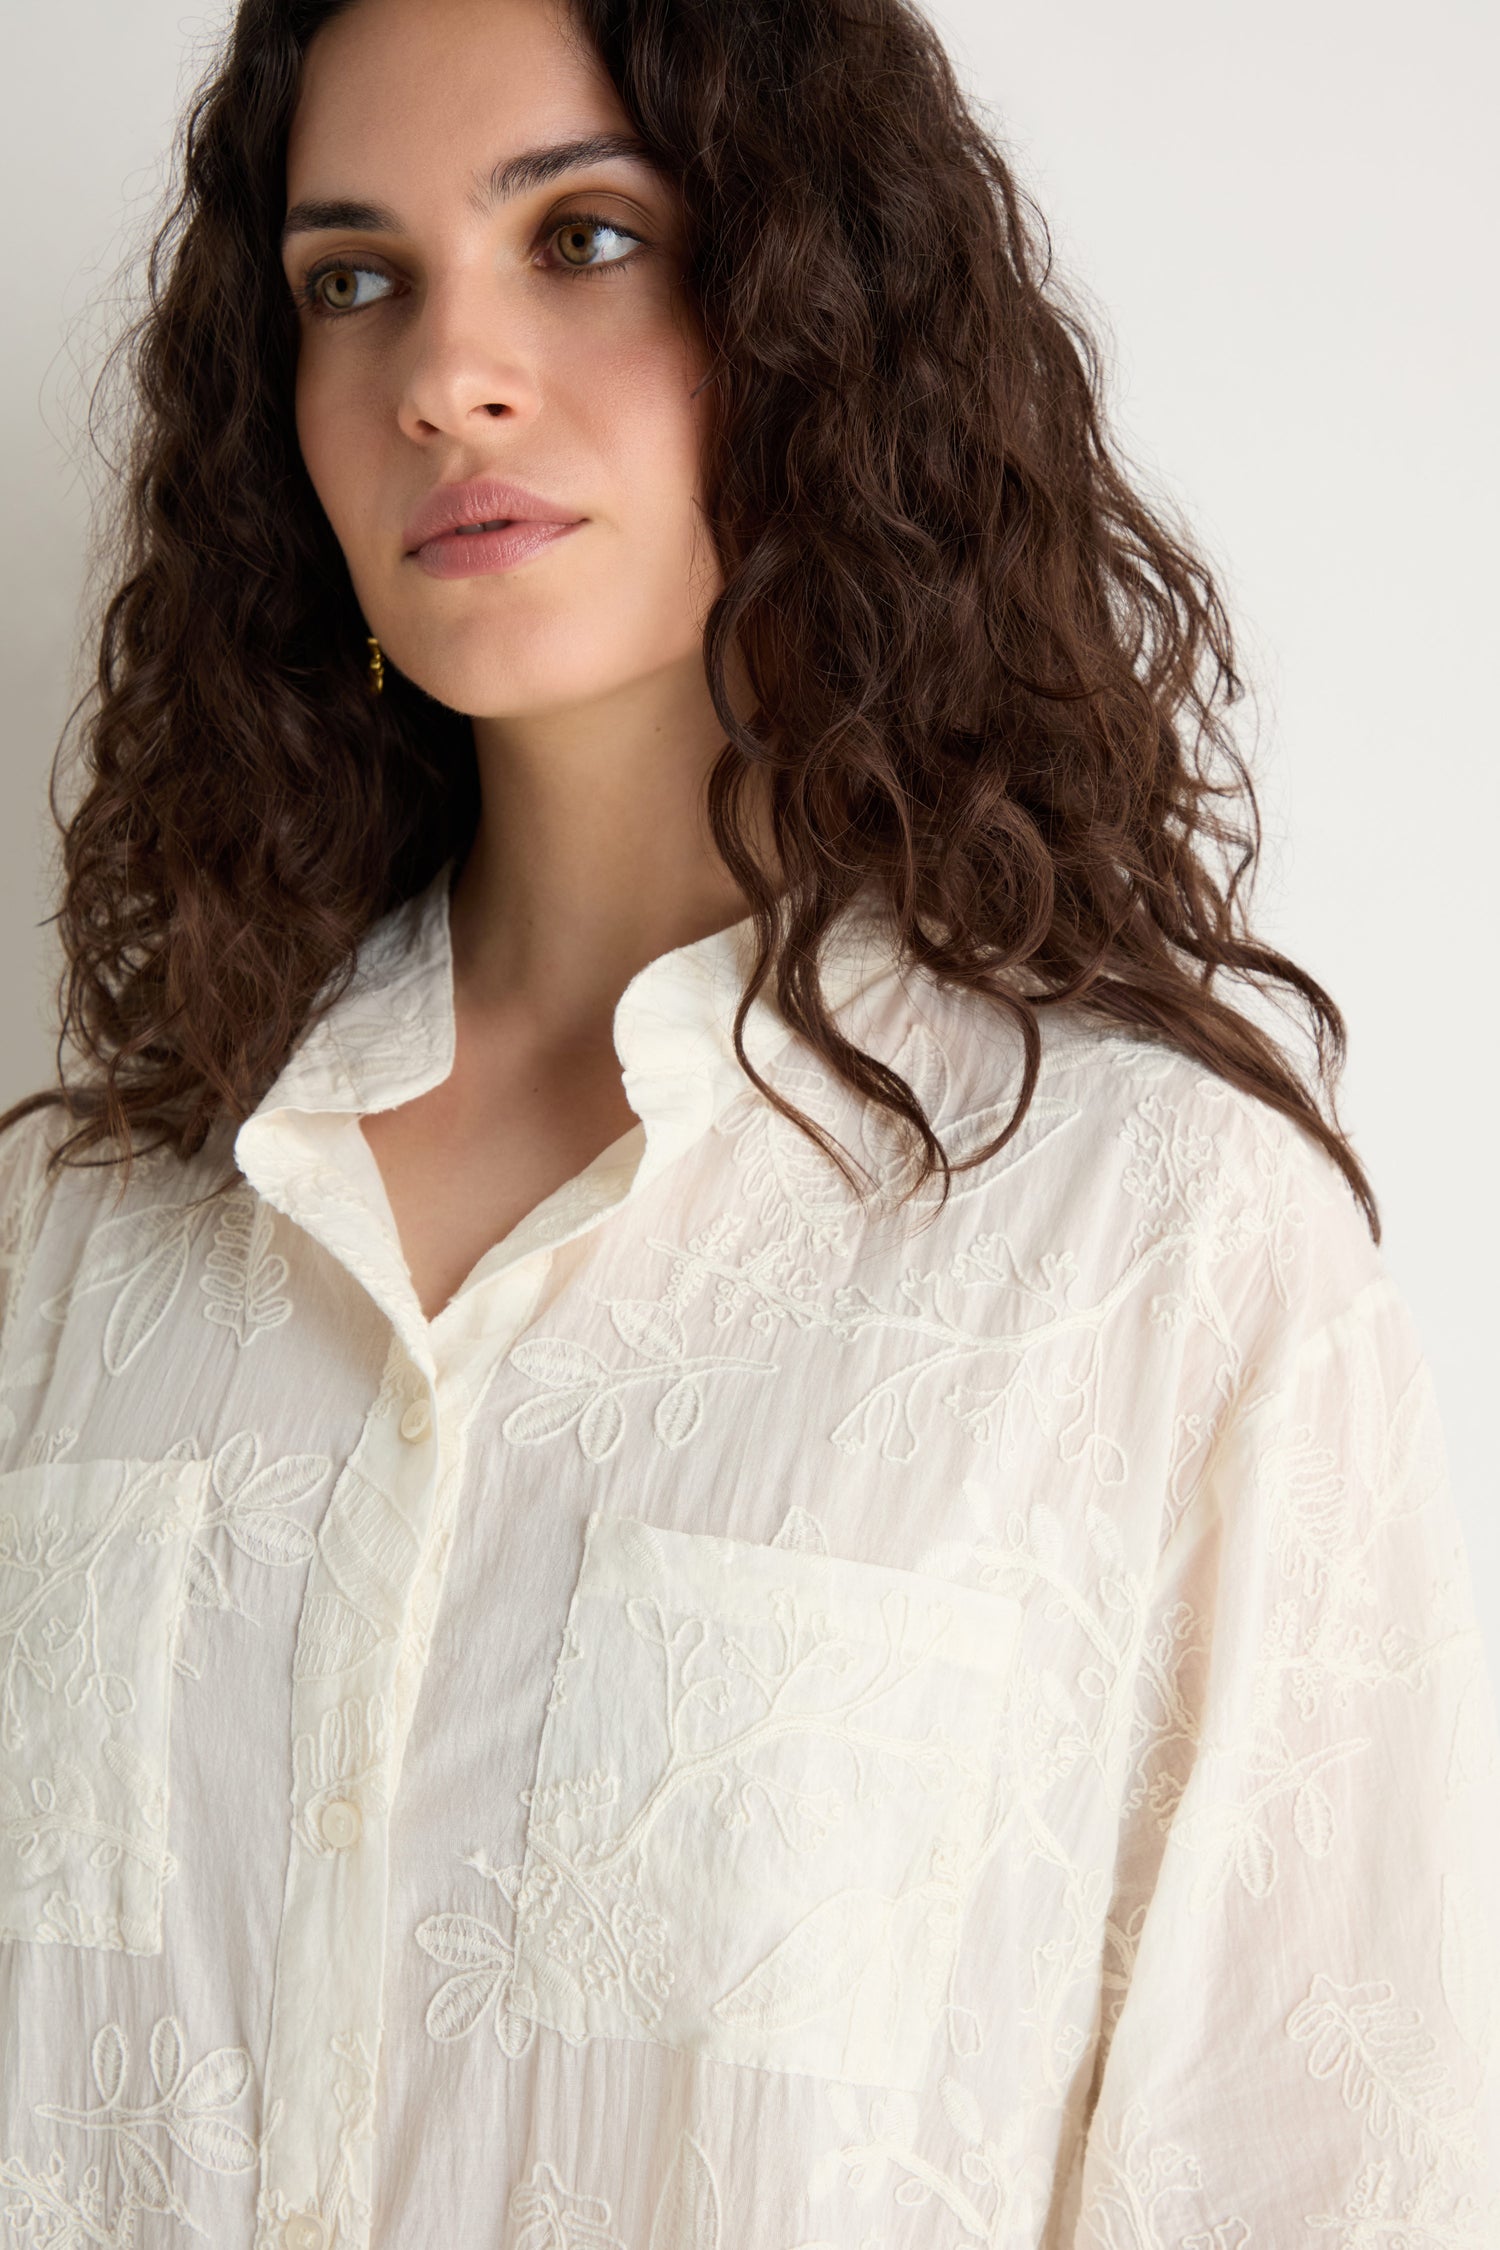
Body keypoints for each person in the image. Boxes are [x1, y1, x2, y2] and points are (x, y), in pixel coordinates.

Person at [1, 0, 1495, 2241]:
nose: (443, 375)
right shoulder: (83, 1233)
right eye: (354, 278)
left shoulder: (1156, 1251)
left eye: (584, 236)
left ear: (822, 312)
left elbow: (1313, 2176)